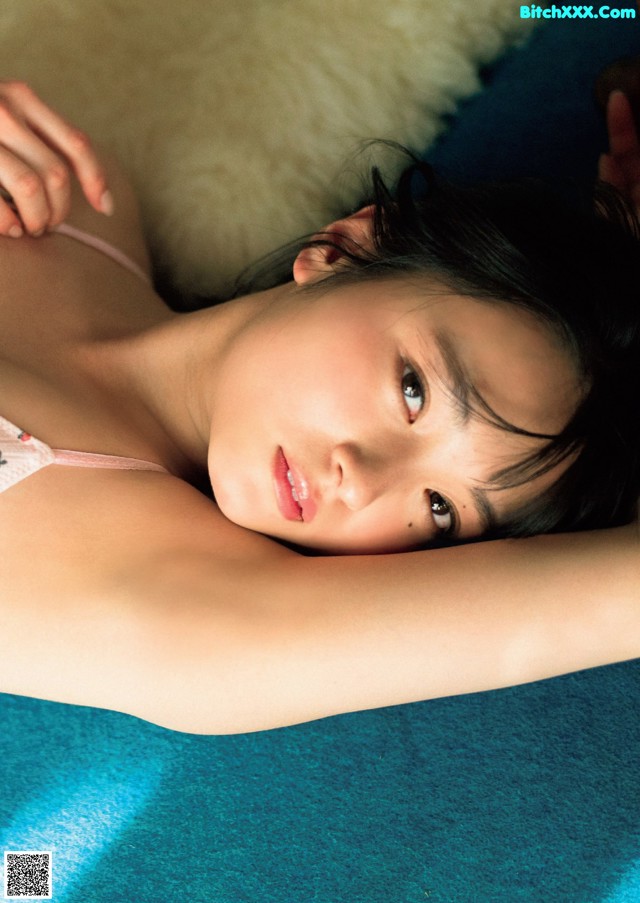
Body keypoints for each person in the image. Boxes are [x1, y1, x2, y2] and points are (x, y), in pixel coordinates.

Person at [0, 80, 637, 735]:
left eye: (440, 510)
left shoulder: (180, 604)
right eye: (413, 390)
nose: (361, 480)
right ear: (348, 248)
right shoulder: (71, 190)